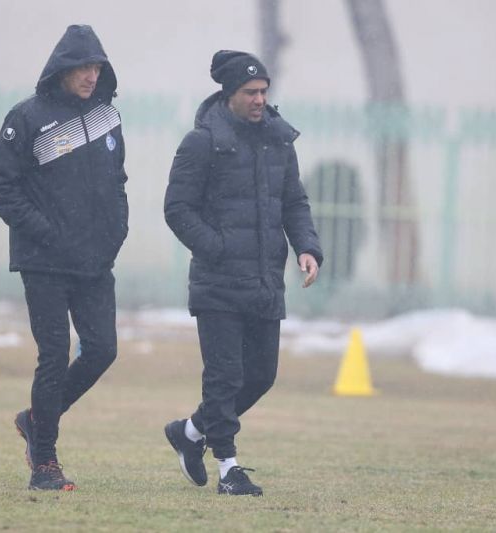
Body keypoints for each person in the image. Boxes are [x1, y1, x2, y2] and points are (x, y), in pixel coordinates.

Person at [163, 50, 323, 496]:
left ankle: (190, 432)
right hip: (217, 283)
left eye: (263, 91)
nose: (259, 100)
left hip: (265, 282)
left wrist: (307, 248)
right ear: (229, 94)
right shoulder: (201, 143)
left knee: (260, 377)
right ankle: (228, 469)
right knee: (225, 377)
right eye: (250, 92)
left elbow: (294, 203)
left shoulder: (279, 140)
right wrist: (217, 248)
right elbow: (177, 209)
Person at [0, 24, 128, 491]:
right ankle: (44, 463)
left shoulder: (108, 117)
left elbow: (117, 182)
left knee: (102, 350)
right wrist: (46, 232)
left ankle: (35, 419)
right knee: (53, 355)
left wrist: (116, 232)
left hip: (94, 261)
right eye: (82, 67)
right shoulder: (27, 117)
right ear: (62, 69)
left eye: (97, 67)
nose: (91, 76)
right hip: (43, 262)